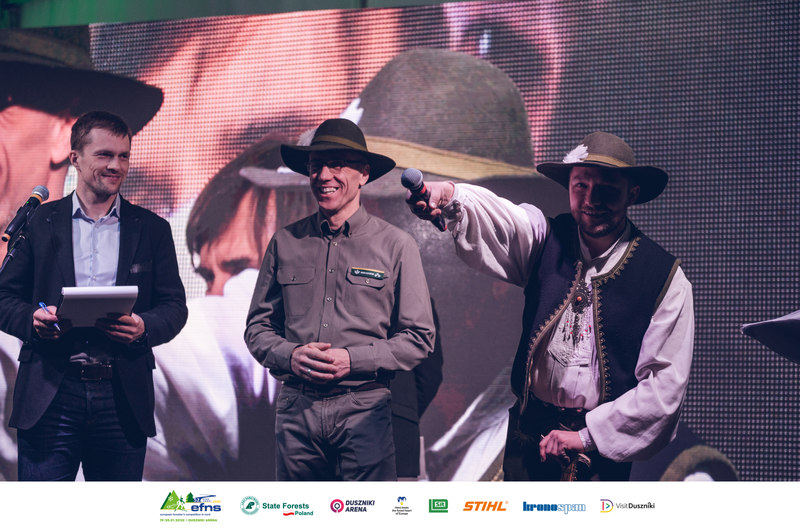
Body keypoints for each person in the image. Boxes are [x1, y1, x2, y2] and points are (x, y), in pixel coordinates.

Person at [410, 131, 694, 480]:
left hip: (598, 455)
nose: (591, 199)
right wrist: (451, 196)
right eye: (581, 186)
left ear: (631, 193)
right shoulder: (545, 238)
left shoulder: (663, 276)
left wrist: (586, 437)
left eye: (607, 188)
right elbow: (507, 220)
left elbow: (664, 387)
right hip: (529, 440)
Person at [245, 118, 435, 481]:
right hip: (296, 408)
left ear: (364, 174)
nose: (323, 176)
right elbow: (257, 329)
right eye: (316, 166)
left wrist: (353, 360)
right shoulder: (285, 242)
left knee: (365, 511)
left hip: (365, 408)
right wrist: (291, 355)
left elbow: (419, 338)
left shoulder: (397, 246)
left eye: (337, 165)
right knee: (298, 511)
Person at [0, 111, 187, 481]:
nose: (116, 165)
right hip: (50, 394)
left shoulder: (152, 229)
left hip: (122, 396)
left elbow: (174, 307)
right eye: (104, 155)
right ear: (75, 158)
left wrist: (144, 327)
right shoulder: (39, 222)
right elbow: (4, 297)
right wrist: (32, 322)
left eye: (123, 156)